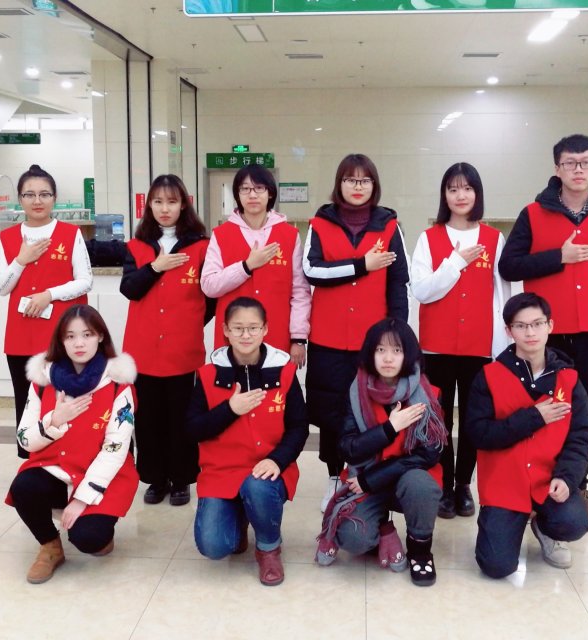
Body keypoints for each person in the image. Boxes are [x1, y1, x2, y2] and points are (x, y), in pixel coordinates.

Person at [498, 133, 588, 528]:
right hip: (544, 334)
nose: (578, 169)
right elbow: (509, 266)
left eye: (586, 162)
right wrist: (560, 257)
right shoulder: (534, 213)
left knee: (584, 411)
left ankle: (577, 487)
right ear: (557, 168)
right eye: (570, 163)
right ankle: (531, 487)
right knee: (540, 407)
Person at [303, 153, 410, 512]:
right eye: (350, 180)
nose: (358, 186)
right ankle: (335, 477)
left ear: (374, 185)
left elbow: (398, 283)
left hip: (373, 341)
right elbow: (313, 272)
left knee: (370, 408)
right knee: (332, 413)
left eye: (365, 180)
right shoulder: (320, 223)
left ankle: (366, 476)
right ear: (340, 184)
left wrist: (397, 334)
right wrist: (361, 265)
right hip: (328, 339)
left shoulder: (389, 226)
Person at [6, 305, 139, 584]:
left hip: (103, 475)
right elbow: (24, 438)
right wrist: (53, 421)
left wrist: (82, 499)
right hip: (56, 467)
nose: (79, 343)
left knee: (89, 539)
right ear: (61, 340)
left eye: (87, 335)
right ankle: (50, 547)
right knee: (23, 487)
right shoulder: (42, 380)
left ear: (100, 337)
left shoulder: (118, 384)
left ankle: (99, 528)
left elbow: (115, 449)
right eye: (70, 336)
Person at [467, 292, 588, 578]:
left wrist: (566, 477)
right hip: (504, 483)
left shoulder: (569, 379)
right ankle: (502, 522)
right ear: (508, 331)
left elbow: (580, 438)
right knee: (496, 566)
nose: (530, 332)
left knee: (573, 521)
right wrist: (534, 417)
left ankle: (545, 528)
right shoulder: (489, 376)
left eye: (537, 323)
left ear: (550, 325)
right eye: (521, 326)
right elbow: (479, 434)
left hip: (547, 481)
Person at [410, 162, 511, 520]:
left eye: (467, 188)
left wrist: (502, 348)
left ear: (477, 194)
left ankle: (464, 485)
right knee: (439, 418)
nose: (460, 195)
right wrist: (454, 262)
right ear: (444, 195)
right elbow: (422, 290)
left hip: (480, 347)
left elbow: (502, 296)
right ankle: (443, 484)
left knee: (473, 419)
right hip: (436, 345)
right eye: (453, 189)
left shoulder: (494, 239)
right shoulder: (429, 238)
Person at [185, 297, 309, 586]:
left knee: (258, 485)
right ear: (225, 330)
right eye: (238, 328)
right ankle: (240, 515)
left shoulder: (284, 371)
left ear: (265, 329)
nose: (245, 335)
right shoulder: (207, 374)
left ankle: (268, 548)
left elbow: (299, 427)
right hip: (222, 472)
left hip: (267, 469)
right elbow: (192, 430)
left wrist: (277, 460)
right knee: (214, 546)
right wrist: (230, 409)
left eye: (253, 328)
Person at [316, 318, 445, 587]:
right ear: (370, 353)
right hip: (365, 478)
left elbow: (430, 454)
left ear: (408, 354)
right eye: (380, 350)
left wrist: (371, 479)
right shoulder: (355, 391)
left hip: (399, 480)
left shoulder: (428, 393)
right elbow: (347, 448)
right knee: (354, 540)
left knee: (421, 485)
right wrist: (389, 428)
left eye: (397, 350)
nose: (388, 358)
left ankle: (420, 551)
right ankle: (383, 530)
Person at [120, 175, 211, 507]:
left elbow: (211, 298)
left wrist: (187, 322)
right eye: (157, 201)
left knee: (182, 418)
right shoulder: (136, 246)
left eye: (172, 201)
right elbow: (129, 289)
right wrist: (155, 267)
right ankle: (155, 479)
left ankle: (182, 478)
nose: (164, 208)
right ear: (149, 205)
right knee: (148, 420)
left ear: (183, 204)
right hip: (143, 350)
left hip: (183, 350)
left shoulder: (202, 246)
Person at [0, 164, 92, 458]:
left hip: (63, 336)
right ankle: (29, 462)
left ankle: (67, 459)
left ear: (54, 198)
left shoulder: (70, 233)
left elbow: (85, 280)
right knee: (25, 401)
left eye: (44, 194)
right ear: (20, 199)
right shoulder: (9, 237)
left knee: (64, 399)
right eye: (30, 194)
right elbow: (1, 287)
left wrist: (49, 295)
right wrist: (20, 260)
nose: (37, 201)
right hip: (21, 335)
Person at [201, 164, 311, 367]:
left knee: (276, 387)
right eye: (245, 189)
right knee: (232, 387)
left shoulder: (289, 235)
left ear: (270, 193)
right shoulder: (221, 234)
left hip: (276, 334)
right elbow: (209, 285)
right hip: (233, 338)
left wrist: (298, 338)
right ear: (237, 194)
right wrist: (246, 266)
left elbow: (300, 291)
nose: (252, 195)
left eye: (259, 188)